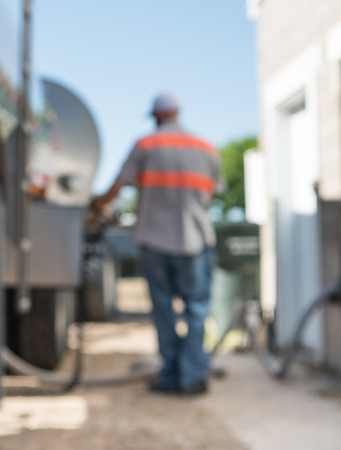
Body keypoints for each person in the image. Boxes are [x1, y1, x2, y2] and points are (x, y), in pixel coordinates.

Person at [88, 92, 222, 395]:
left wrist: (96, 209)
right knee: (197, 310)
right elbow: (210, 193)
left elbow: (119, 185)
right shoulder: (206, 147)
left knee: (163, 309)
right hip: (196, 239)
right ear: (178, 112)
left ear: (156, 116)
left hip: (154, 238)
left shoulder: (146, 145)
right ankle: (194, 377)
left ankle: (172, 377)